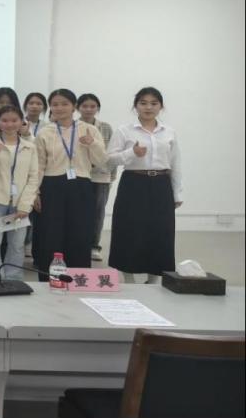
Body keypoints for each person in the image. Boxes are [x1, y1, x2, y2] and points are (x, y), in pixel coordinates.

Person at [107, 87, 182, 284]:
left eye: (154, 103)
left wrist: (177, 193)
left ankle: (153, 279)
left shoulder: (169, 132)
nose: (148, 107)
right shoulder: (124, 131)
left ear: (161, 107)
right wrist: (131, 153)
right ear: (136, 106)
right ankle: (128, 278)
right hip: (133, 183)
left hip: (161, 184)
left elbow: (175, 164)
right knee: (129, 229)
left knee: (160, 230)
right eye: (143, 103)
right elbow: (109, 160)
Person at [33, 89, 107, 273]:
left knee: (80, 233)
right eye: (55, 104)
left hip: (81, 186)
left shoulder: (89, 129)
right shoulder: (45, 132)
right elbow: (38, 165)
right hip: (51, 186)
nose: (59, 108)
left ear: (74, 106)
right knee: (51, 233)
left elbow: (101, 161)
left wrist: (92, 143)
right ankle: (50, 277)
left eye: (65, 104)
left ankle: (78, 277)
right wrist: (35, 192)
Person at [0, 105, 38, 283]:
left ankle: (13, 279)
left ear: (21, 122)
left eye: (14, 120)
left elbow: (33, 178)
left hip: (19, 202)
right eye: (4, 120)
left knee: (17, 244)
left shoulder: (29, 146)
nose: (9, 124)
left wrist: (25, 205)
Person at [77, 93, 116, 261]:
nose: (88, 109)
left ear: (98, 108)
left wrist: (111, 176)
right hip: (79, 175)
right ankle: (79, 244)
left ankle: (94, 246)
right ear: (78, 108)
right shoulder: (74, 126)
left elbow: (111, 153)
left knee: (98, 213)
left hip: (101, 177)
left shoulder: (105, 127)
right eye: (85, 106)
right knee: (78, 212)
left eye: (92, 106)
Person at [22, 91, 49, 257]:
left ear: (44, 107)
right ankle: (22, 242)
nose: (34, 106)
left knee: (36, 209)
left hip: (40, 170)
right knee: (23, 206)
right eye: (31, 103)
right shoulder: (17, 122)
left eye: (38, 103)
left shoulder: (47, 126)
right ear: (25, 105)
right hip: (21, 169)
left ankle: (30, 243)